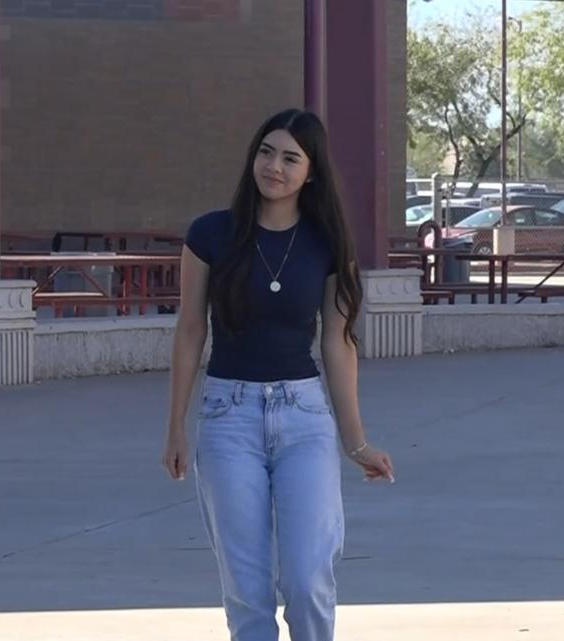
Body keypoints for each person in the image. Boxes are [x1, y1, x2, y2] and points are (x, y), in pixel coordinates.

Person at [162, 108, 394, 641]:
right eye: (267, 152)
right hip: (228, 418)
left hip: (303, 418)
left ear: (310, 172)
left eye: (291, 158)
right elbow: (191, 330)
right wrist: (176, 426)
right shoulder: (211, 234)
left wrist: (355, 441)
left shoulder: (327, 244)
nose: (275, 166)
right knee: (247, 590)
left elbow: (338, 341)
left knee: (309, 576)